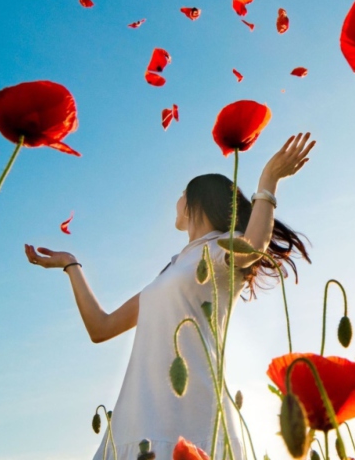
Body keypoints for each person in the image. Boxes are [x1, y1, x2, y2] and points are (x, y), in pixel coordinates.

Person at [24, 133, 316, 460]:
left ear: (198, 200)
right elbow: (101, 328)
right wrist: (71, 264)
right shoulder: (171, 270)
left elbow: (253, 248)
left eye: (181, 195)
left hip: (191, 418)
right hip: (133, 422)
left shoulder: (223, 247)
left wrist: (268, 180)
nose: (176, 202)